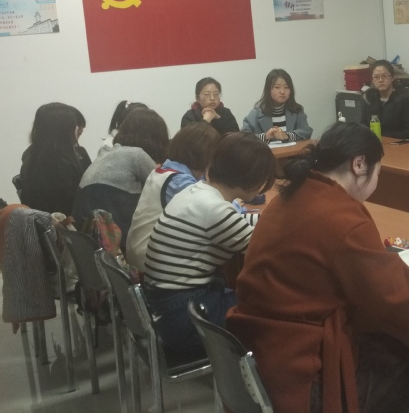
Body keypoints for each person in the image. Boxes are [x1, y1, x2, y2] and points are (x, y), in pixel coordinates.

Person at [227, 122, 409, 413]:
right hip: (303, 373)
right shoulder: (342, 216)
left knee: (383, 345)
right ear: (359, 164)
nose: (377, 180)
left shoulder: (292, 194)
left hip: (260, 354)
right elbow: (405, 304)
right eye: (378, 172)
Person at [143, 132, 276, 357]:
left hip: (167, 307)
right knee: (274, 305)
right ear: (256, 180)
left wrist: (271, 220)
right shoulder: (215, 209)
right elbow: (267, 251)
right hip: (185, 318)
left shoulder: (197, 192)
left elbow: (237, 222)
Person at [126, 122, 221, 271]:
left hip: (142, 255)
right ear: (206, 156)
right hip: (153, 263)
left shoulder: (163, 171)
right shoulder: (178, 181)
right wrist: (235, 201)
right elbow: (216, 215)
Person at [72, 108, 169, 243]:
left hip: (85, 231)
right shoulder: (137, 155)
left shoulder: (107, 152)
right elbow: (164, 185)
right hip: (115, 234)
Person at [19, 103, 91, 216]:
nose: (77, 130)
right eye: (73, 125)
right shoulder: (63, 163)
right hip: (62, 222)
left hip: (37, 221)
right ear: (62, 129)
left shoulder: (32, 155)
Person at [242, 68, 312, 143]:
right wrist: (265, 136)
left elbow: (306, 132)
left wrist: (287, 136)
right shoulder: (256, 113)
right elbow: (243, 138)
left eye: (286, 87)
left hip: (293, 150)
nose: (282, 91)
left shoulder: (297, 110)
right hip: (265, 151)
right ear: (268, 90)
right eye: (277, 87)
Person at [363, 59, 409, 140]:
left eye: (384, 76)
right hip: (375, 143)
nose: (380, 80)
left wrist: (384, 137)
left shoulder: (405, 99)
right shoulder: (370, 99)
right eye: (376, 77)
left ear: (392, 77)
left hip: (400, 144)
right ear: (372, 80)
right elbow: (363, 126)